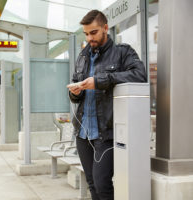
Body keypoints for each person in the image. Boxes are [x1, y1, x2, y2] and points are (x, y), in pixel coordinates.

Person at [67, 10, 147, 200]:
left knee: (102, 184)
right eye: (86, 34)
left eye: (93, 32)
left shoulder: (122, 52)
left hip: (106, 133)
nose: (89, 38)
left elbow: (140, 75)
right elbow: (76, 91)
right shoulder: (83, 57)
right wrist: (74, 92)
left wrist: (101, 80)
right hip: (83, 132)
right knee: (92, 183)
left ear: (105, 28)